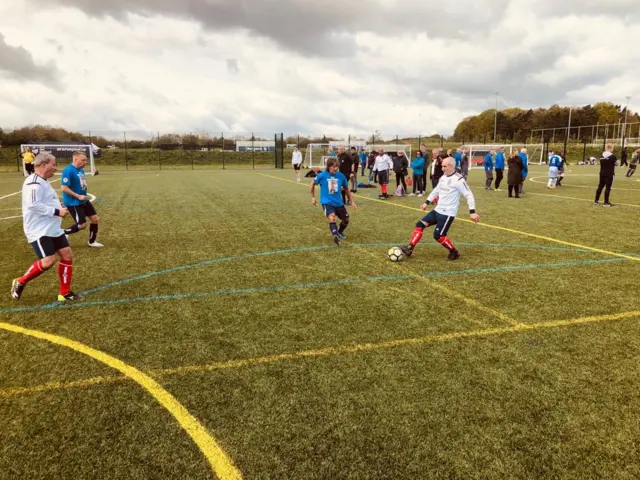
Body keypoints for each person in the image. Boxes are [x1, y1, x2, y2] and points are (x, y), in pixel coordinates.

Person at [10, 153, 82, 302]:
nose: (55, 168)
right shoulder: (33, 183)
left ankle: (65, 293)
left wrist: (59, 205)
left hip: (52, 226)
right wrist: (57, 211)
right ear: (43, 165)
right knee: (49, 260)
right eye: (53, 164)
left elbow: (47, 200)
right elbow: (33, 204)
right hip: (39, 229)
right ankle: (21, 281)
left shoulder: (43, 181)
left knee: (67, 254)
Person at [400, 157, 479, 261]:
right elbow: (436, 190)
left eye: (444, 166)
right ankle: (410, 248)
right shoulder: (443, 177)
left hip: (447, 213)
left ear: (451, 166)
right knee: (420, 225)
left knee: (438, 235)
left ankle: (454, 252)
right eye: (442, 166)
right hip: (437, 210)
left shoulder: (459, 180)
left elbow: (469, 195)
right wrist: (426, 202)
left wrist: (472, 212)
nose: (442, 168)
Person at [61, 151, 103, 247]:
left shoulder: (81, 170)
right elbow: (64, 188)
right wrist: (78, 196)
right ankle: (63, 233)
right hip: (73, 202)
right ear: (75, 159)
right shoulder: (68, 170)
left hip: (84, 200)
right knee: (82, 225)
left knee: (95, 219)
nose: (86, 162)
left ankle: (92, 242)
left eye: (86, 160)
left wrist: (83, 194)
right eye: (83, 160)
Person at [310, 158, 357, 245]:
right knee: (332, 217)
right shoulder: (322, 175)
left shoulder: (341, 176)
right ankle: (335, 236)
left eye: (337, 167)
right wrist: (313, 197)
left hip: (338, 202)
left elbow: (346, 189)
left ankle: (339, 231)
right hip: (327, 202)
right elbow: (312, 183)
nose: (335, 169)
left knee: (346, 219)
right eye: (333, 166)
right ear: (328, 166)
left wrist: (352, 201)